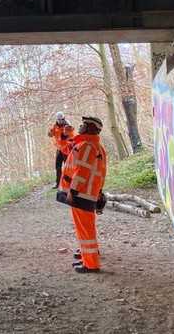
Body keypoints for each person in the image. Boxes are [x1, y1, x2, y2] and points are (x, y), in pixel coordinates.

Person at [58, 116, 107, 273]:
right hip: (88, 193)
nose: (80, 126)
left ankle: (91, 264)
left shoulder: (86, 146)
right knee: (87, 228)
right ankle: (88, 257)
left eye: (83, 125)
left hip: (81, 194)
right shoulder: (96, 146)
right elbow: (101, 173)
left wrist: (73, 191)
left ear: (91, 128)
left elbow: (82, 171)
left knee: (85, 230)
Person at [48, 112, 75, 189]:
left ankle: (70, 183)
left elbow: (72, 137)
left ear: (64, 118)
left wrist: (67, 135)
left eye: (61, 119)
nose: (60, 121)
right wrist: (50, 133)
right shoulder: (55, 125)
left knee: (68, 167)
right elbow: (51, 134)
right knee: (58, 166)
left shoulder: (68, 125)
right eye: (58, 119)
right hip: (59, 149)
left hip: (66, 149)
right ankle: (58, 183)